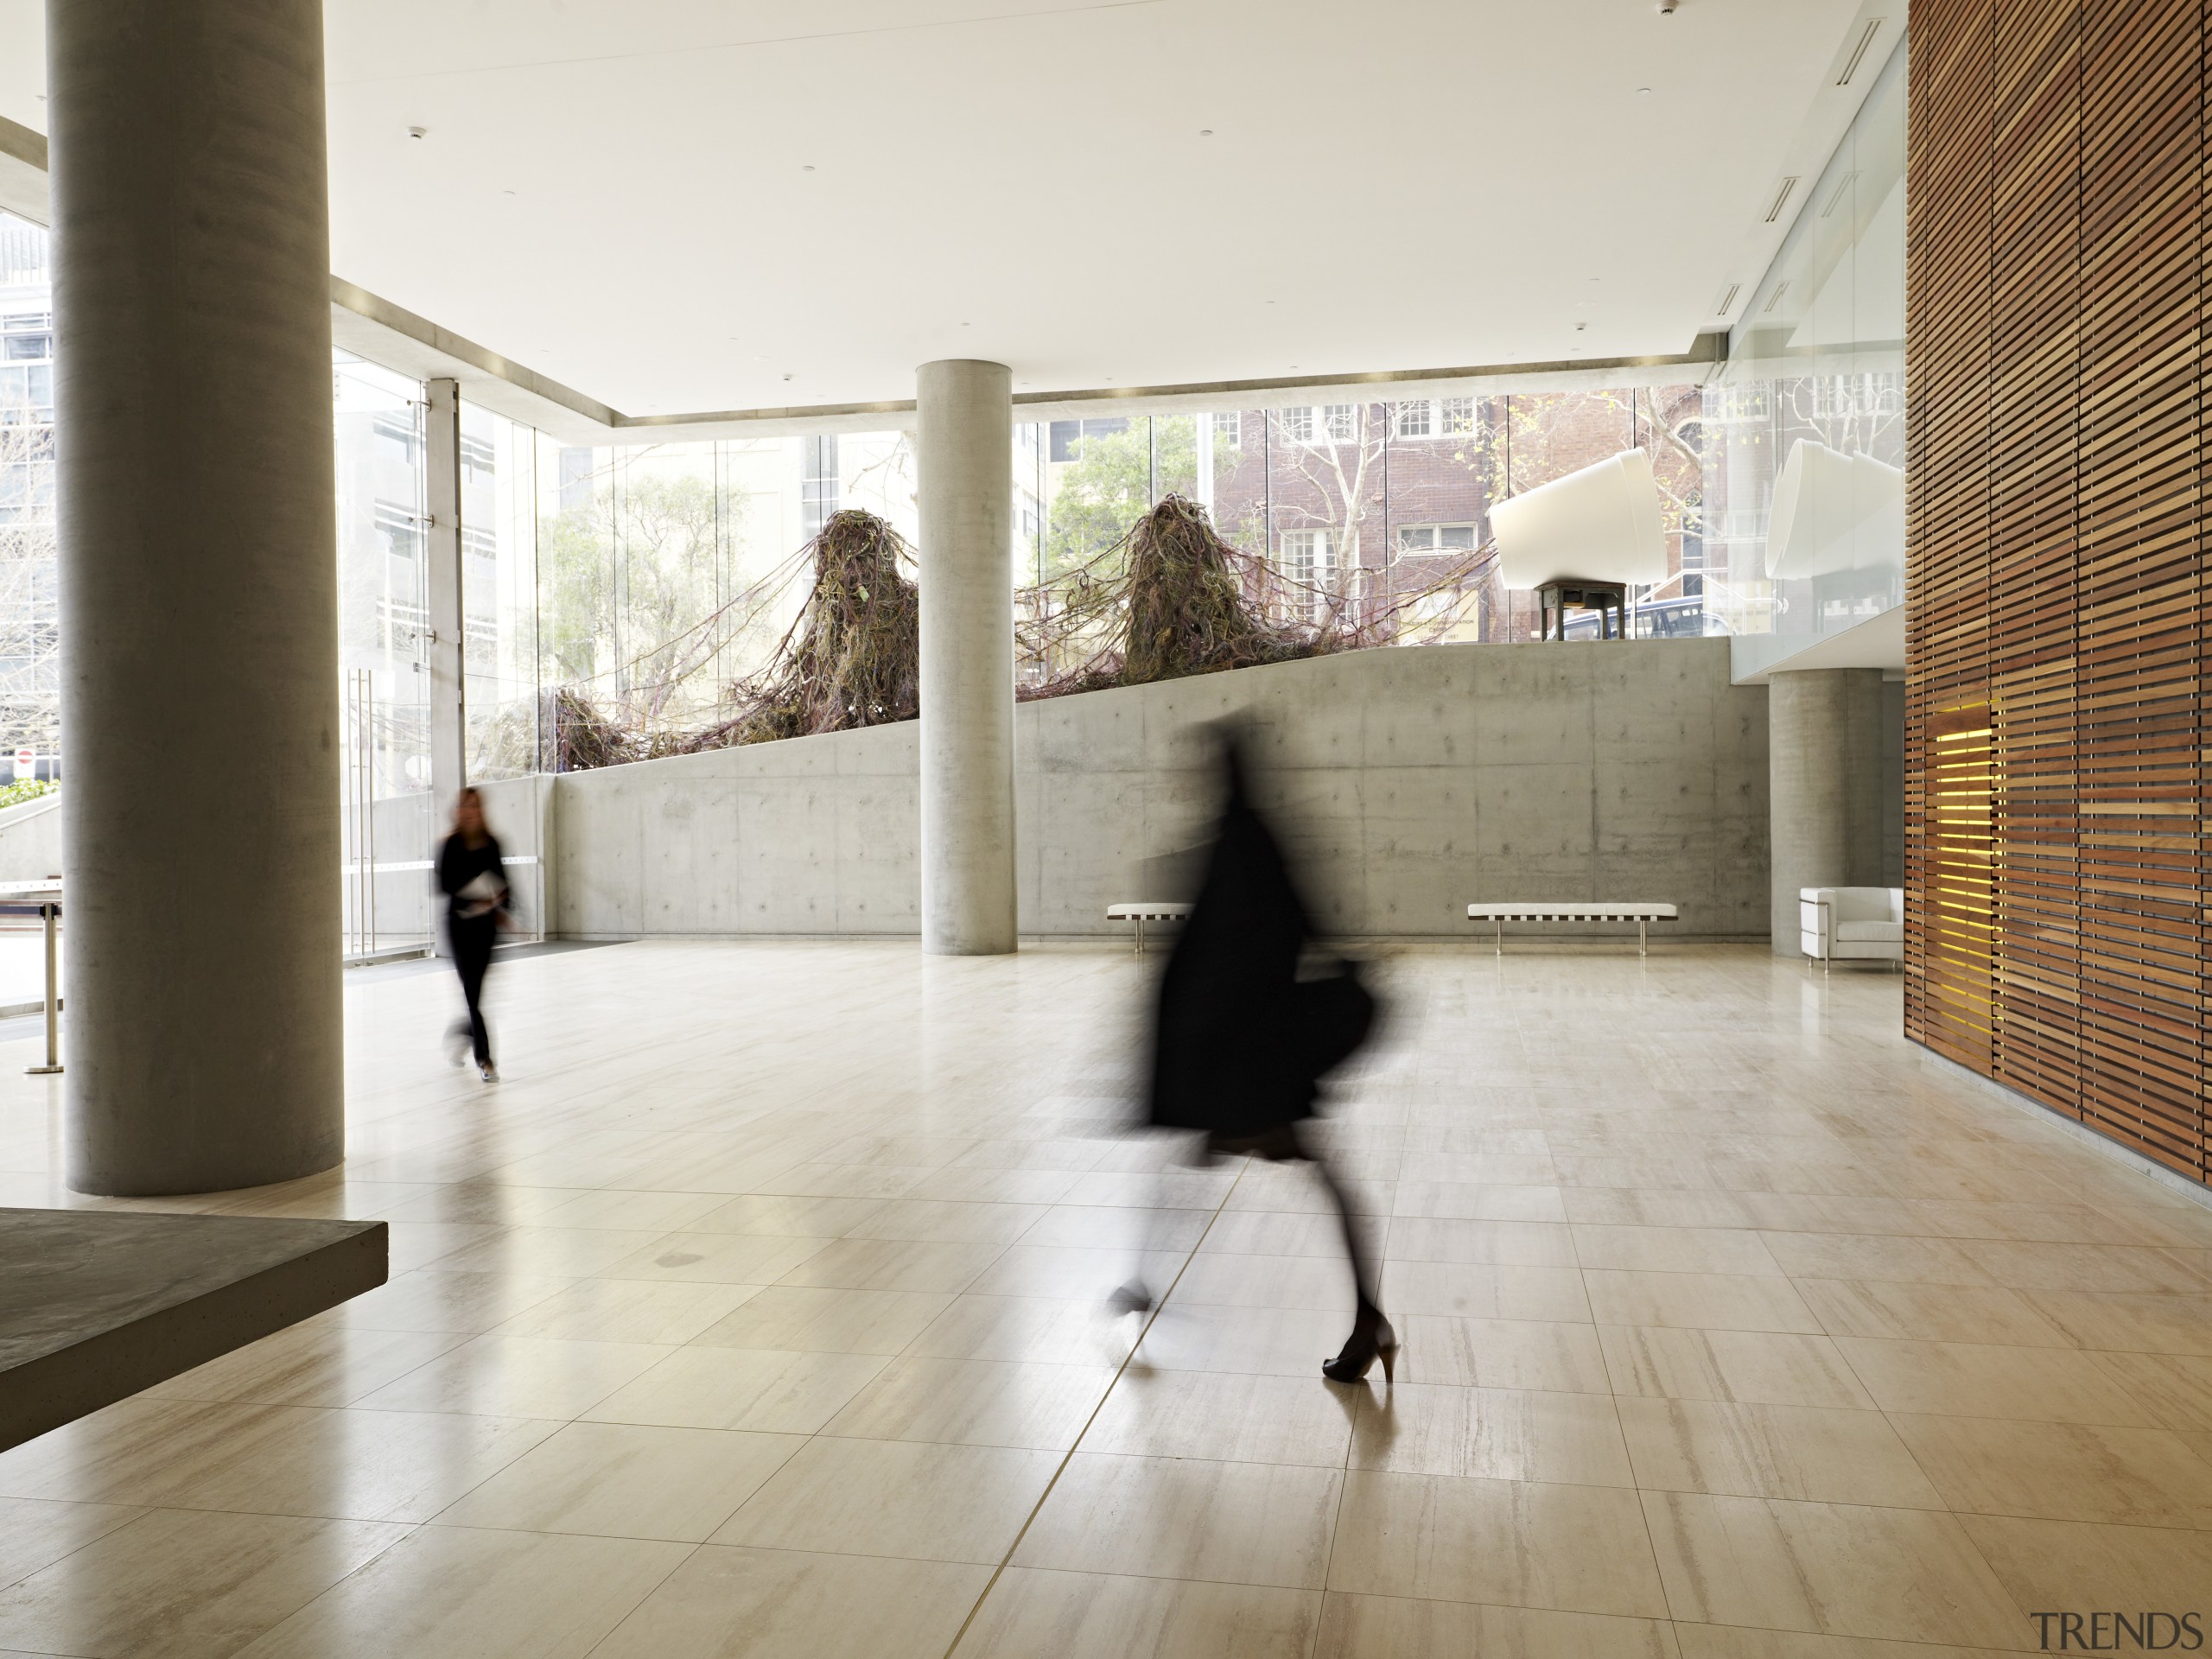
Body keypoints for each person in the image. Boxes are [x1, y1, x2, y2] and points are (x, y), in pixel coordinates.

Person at [1117, 724, 1395, 1385]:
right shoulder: (1261, 839)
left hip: (1245, 1068)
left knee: (1210, 1169)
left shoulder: (1235, 846)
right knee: (1315, 1178)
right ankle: (1368, 1318)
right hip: (1256, 1062)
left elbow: (1215, 961)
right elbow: (1304, 930)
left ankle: (1144, 1291)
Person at [436, 787, 508, 1082]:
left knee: (475, 995)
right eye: (465, 806)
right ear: (458, 811)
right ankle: (485, 1058)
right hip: (459, 926)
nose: (470, 811)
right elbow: (444, 885)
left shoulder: (492, 843)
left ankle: (463, 1031)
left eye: (475, 807)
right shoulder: (450, 844)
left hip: (486, 928)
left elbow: (505, 884)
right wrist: (472, 896)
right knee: (472, 993)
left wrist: (498, 901)